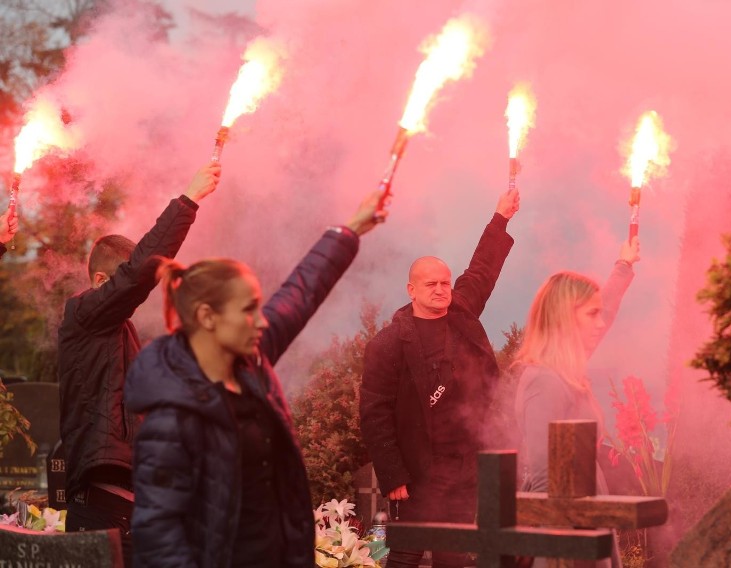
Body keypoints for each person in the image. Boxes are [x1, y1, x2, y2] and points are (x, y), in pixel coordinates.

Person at [124, 189, 386, 568]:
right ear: (208, 317)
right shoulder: (172, 418)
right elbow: (159, 540)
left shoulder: (250, 364)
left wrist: (350, 230)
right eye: (248, 310)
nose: (262, 320)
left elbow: (300, 293)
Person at [57, 162, 221, 565]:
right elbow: (137, 276)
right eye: (120, 282)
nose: (139, 292)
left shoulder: (116, 334)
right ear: (100, 282)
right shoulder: (84, 314)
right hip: (102, 514)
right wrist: (189, 200)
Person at [360, 187, 520, 568]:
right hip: (415, 469)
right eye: (431, 284)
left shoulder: (461, 312)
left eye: (445, 282)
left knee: (455, 550)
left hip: (464, 462)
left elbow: (481, 269)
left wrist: (501, 218)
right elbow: (374, 413)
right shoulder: (389, 343)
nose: (441, 290)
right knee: (406, 552)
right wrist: (393, 474)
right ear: (411, 290)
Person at [513, 237, 641, 568]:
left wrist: (623, 266)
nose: (601, 322)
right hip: (565, 538)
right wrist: (564, 554)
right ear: (564, 318)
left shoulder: (567, 370)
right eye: (591, 314)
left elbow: (607, 311)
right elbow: (544, 478)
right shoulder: (544, 380)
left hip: (585, 520)